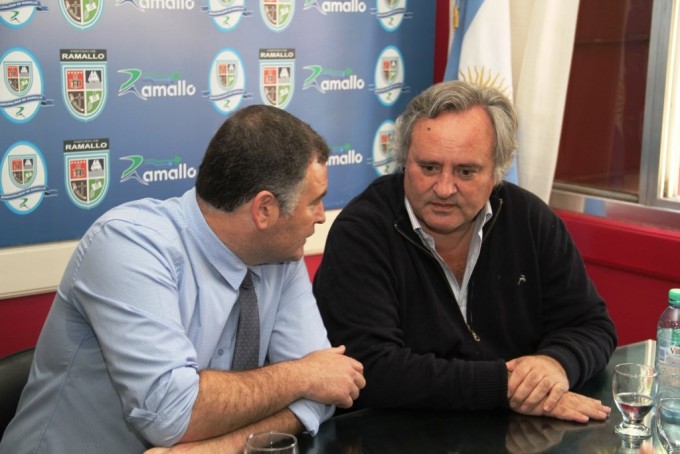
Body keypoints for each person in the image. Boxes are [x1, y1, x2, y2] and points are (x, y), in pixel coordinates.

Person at [0, 105, 365, 454]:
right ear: (264, 209)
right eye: (314, 202)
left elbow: (328, 391)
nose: (321, 216)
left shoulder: (280, 255)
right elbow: (172, 415)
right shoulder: (130, 245)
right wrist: (302, 376)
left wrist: (221, 448)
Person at [313, 80, 617, 422]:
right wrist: (504, 386)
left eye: (466, 171)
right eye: (429, 168)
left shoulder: (529, 219)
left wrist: (556, 364)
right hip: (395, 434)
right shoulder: (362, 231)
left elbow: (591, 325)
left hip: (517, 432)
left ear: (497, 171)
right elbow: (370, 368)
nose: (444, 188)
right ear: (404, 161)